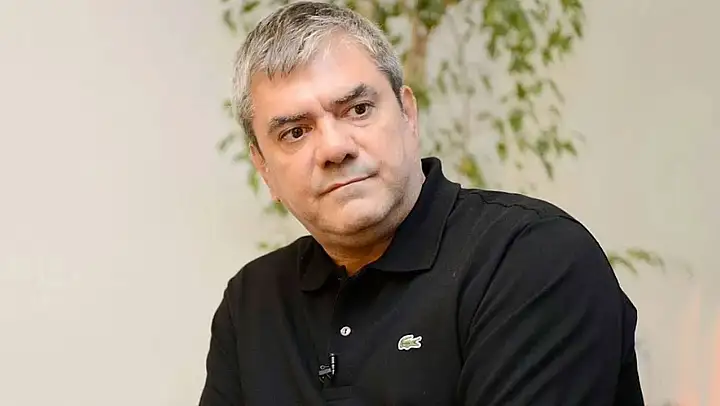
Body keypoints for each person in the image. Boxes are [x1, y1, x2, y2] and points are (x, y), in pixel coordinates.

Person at [199, 2, 644, 405]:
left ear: (408, 115)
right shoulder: (252, 303)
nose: (335, 148)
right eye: (295, 132)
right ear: (263, 168)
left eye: (358, 109)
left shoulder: (532, 259)